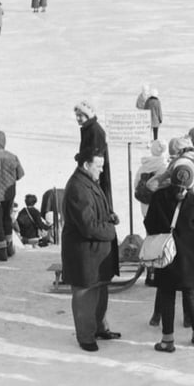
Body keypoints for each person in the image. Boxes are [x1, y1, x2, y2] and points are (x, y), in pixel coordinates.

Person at [145, 159, 194, 353]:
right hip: (188, 254)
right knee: (190, 292)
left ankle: (167, 339)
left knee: (167, 294)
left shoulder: (159, 197)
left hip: (165, 253)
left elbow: (149, 223)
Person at [61, 148, 120, 352]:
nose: (101, 170)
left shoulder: (88, 181)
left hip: (95, 253)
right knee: (85, 296)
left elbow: (95, 212)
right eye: (99, 166)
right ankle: (85, 336)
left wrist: (109, 215)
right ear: (86, 165)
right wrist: (110, 230)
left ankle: (99, 328)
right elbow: (87, 225)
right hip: (84, 254)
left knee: (99, 292)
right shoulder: (78, 187)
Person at [75, 101, 113, 205]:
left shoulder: (95, 130)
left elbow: (95, 155)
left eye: (80, 116)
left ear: (87, 115)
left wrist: (81, 157)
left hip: (93, 174)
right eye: (76, 116)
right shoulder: (89, 128)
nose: (77, 118)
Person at [0, 131, 24, 260]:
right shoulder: (13, 157)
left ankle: (2, 251)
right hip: (9, 194)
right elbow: (20, 174)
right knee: (7, 219)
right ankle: (10, 247)